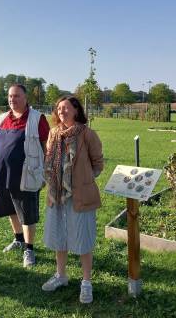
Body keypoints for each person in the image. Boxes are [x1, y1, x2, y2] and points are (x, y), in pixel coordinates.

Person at [41, 96, 104, 304]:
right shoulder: (53, 133)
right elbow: (48, 159)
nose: (62, 111)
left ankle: (87, 282)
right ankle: (61, 275)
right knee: (60, 235)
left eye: (66, 108)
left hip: (80, 195)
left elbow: (98, 163)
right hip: (57, 194)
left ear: (76, 110)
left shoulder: (87, 134)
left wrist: (82, 181)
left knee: (83, 237)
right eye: (59, 108)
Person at [0, 84, 50, 267]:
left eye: (16, 96)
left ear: (25, 98)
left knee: (27, 212)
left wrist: (44, 172)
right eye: (9, 96)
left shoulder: (36, 118)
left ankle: (29, 249)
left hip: (26, 174)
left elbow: (47, 146)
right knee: (10, 208)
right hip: (1, 174)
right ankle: (18, 239)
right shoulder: (2, 118)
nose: (12, 99)